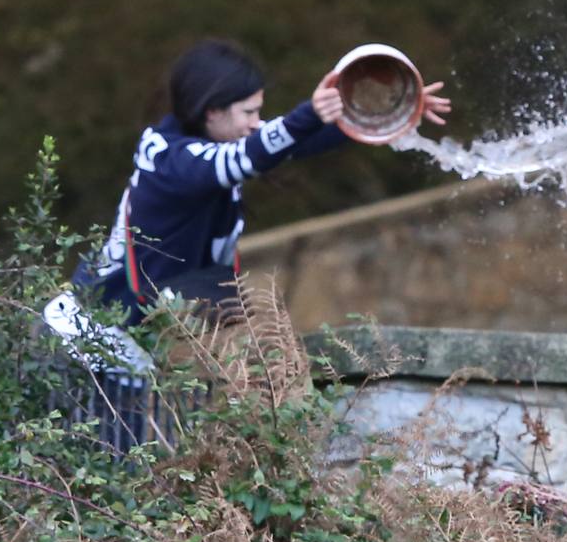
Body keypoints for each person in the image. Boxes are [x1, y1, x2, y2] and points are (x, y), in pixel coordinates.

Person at [73, 39, 451, 327]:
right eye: (249, 112)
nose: (257, 122)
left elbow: (288, 140)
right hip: (99, 335)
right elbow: (245, 157)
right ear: (213, 111)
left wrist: (387, 112)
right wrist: (307, 114)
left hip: (151, 327)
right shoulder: (171, 160)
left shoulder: (222, 137)